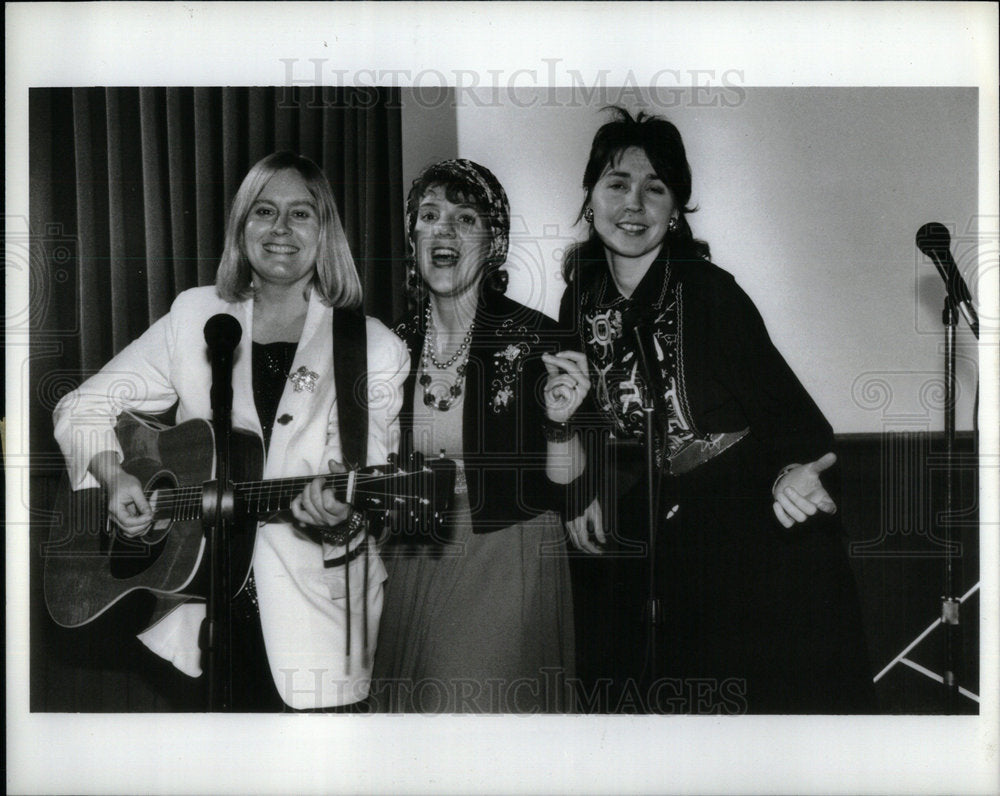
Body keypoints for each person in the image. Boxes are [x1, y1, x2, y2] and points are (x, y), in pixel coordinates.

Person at [52, 151, 409, 712]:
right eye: (264, 211)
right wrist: (116, 476)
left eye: (301, 214)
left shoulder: (372, 346)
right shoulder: (196, 315)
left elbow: (363, 480)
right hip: (201, 611)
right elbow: (81, 408)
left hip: (316, 625)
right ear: (242, 227)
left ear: (326, 231)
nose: (281, 229)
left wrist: (340, 512)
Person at [560, 108, 876, 714]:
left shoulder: (708, 292)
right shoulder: (581, 298)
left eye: (656, 188)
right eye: (617, 183)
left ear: (676, 209)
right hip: (665, 537)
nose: (634, 203)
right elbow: (589, 422)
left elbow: (799, 423)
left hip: (752, 533)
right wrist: (587, 490)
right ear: (590, 197)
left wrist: (793, 472)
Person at [370, 159, 591, 713]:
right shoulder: (389, 346)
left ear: (494, 243)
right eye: (429, 216)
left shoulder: (540, 336)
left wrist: (560, 424)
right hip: (410, 556)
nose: (443, 231)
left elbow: (571, 489)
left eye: (465, 219)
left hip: (504, 559)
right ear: (412, 236)